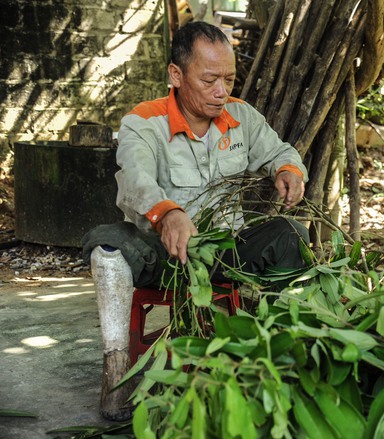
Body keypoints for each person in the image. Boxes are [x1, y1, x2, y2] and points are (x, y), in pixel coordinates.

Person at [82, 21, 309, 421]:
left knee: (291, 233)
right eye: (209, 80)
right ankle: (117, 368)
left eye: (229, 79)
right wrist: (167, 213)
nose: (222, 91)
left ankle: (281, 350)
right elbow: (135, 180)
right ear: (176, 75)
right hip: (165, 255)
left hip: (227, 249)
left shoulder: (240, 115)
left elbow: (279, 150)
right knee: (107, 246)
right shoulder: (143, 121)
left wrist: (288, 169)